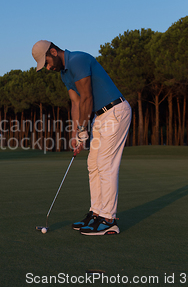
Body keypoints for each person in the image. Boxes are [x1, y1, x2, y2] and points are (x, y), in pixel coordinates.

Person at [31, 40, 132, 235]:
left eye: (47, 62)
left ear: (53, 51)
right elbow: (76, 103)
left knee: (105, 164)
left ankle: (108, 219)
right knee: (93, 164)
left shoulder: (77, 60)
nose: (48, 68)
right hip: (100, 117)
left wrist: (83, 129)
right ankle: (96, 213)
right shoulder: (64, 74)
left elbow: (87, 97)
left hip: (115, 112)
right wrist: (76, 134)